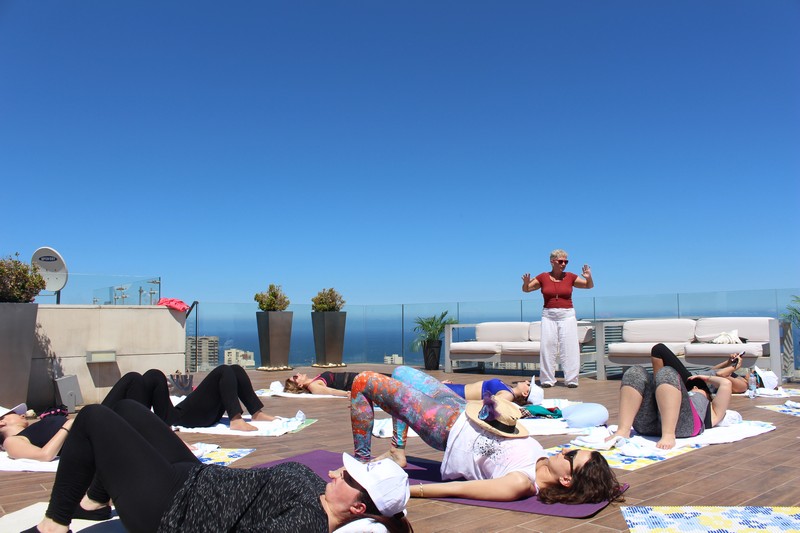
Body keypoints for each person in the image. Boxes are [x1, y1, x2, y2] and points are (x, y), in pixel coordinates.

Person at [22, 400, 413, 533]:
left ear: (359, 508)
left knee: (93, 418)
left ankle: (53, 525)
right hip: (192, 478)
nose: (333, 472)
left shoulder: (305, 524)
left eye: (345, 477)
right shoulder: (321, 497)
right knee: (127, 408)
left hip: (173, 511)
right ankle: (94, 501)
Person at [346, 366, 624, 504]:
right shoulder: (541, 457)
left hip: (443, 427)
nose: (565, 450)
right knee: (401, 372)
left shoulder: (521, 482)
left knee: (363, 382)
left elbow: (459, 489)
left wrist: (404, 491)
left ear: (566, 479)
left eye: (572, 456)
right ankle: (397, 450)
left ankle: (360, 462)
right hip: (463, 410)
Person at [607, 343, 733, 450]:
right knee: (635, 372)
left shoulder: (711, 409)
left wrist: (706, 378)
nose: (695, 388)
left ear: (709, 396)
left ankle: (668, 434)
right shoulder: (677, 391)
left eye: (700, 388)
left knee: (667, 372)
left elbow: (726, 383)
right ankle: (623, 430)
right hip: (647, 425)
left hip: (682, 427)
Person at [102, 364, 276, 431]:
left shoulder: (140, 389)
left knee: (235, 369)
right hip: (180, 418)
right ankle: (236, 419)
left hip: (186, 414)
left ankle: (255, 412)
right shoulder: (152, 414)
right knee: (224, 370)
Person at [521, 249, 593, 388]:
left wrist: (588, 277)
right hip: (549, 315)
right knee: (547, 346)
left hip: (567, 315)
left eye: (566, 261)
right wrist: (525, 282)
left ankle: (572, 379)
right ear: (552, 262)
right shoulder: (543, 277)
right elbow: (527, 289)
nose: (564, 264)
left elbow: (588, 286)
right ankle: (547, 379)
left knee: (570, 347)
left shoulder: (570, 277)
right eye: (561, 261)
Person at [0, 403, 70, 462]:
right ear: (1, 422)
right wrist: (68, 425)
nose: (23, 415)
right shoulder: (10, 441)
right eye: (14, 413)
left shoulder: (33, 429)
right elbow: (45, 455)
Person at [284, 370, 390, 397]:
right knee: (392, 381)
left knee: (392, 378)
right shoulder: (313, 386)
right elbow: (332, 391)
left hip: (359, 377)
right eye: (295, 377)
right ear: (300, 385)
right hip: (358, 382)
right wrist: (347, 394)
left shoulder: (313, 381)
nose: (297, 374)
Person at [441, 378, 532, 405]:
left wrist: (460, 402)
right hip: (456, 388)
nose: (527, 381)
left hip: (457, 394)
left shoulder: (508, 395)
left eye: (528, 384)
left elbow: (485, 403)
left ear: (525, 393)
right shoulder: (508, 388)